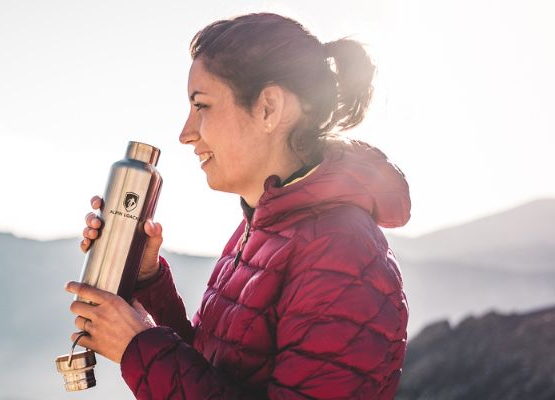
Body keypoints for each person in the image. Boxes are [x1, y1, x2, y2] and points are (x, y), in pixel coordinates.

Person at [65, 12, 410, 399]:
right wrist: (148, 281)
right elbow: (217, 373)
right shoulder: (266, 229)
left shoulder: (342, 252)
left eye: (202, 106)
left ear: (268, 108)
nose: (185, 133)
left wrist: (139, 348)